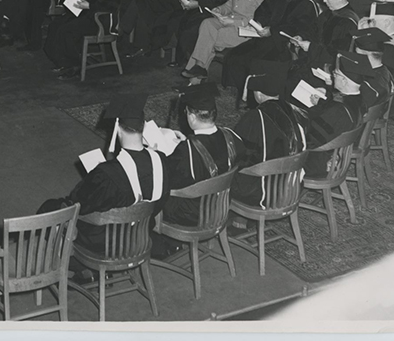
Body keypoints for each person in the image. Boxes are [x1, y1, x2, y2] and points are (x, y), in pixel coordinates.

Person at [38, 94, 167, 259]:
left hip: (107, 244)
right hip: (141, 235)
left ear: (118, 129)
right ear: (143, 127)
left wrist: (95, 177)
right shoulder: (161, 160)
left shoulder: (106, 174)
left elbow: (79, 203)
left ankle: (76, 266)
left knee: (51, 207)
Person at [221, 0, 322, 99]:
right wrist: (260, 23)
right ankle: (237, 91)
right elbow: (263, 10)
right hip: (266, 39)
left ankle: (252, 98)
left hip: (283, 46)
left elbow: (299, 28)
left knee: (254, 61)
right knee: (237, 54)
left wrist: (272, 30)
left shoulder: (306, 3)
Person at [182, 0, 275, 80]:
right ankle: (199, 70)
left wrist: (233, 22)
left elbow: (258, 19)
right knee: (207, 24)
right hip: (228, 19)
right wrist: (219, 10)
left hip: (246, 29)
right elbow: (230, 4)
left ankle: (195, 77)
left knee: (207, 40)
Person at [162, 82, 240, 226]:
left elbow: (168, 179)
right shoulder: (231, 136)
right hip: (222, 206)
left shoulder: (186, 151)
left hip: (194, 215)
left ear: (191, 117)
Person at [231, 67, 307, 207]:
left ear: (259, 93)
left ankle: (238, 220)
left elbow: (239, 156)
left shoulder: (254, 118)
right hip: (293, 185)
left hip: (263, 193)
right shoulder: (295, 110)